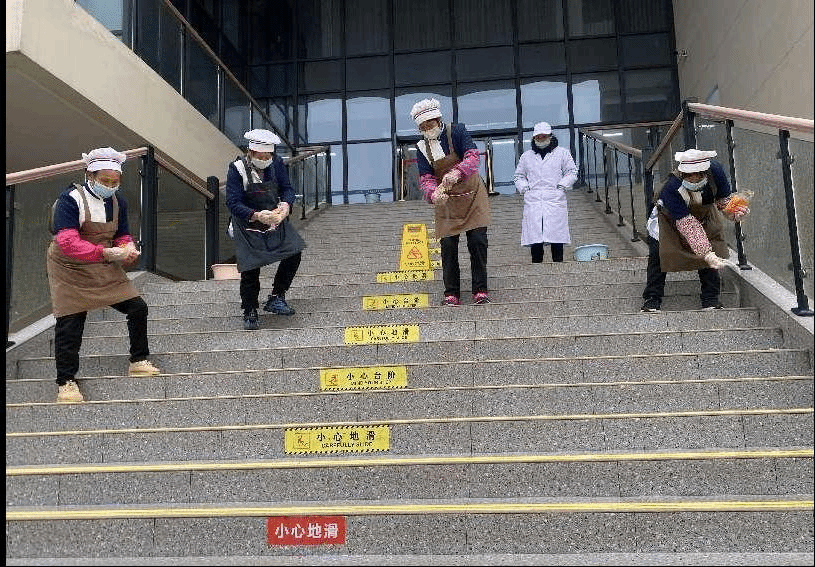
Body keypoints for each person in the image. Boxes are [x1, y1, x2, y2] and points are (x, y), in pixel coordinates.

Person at [47, 147, 161, 403]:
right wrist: (107, 253)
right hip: (69, 267)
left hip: (102, 262)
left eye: (114, 182)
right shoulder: (70, 198)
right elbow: (67, 242)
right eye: (105, 181)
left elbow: (121, 234)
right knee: (71, 321)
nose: (110, 186)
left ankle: (138, 360)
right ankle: (66, 382)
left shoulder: (118, 202)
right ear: (90, 175)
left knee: (137, 307)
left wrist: (127, 248)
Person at [641, 148, 750, 312]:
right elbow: (688, 224)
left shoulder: (716, 172)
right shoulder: (671, 187)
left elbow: (723, 201)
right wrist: (706, 253)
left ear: (705, 172)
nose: (693, 179)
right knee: (659, 253)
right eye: (688, 175)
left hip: (705, 214)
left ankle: (710, 299)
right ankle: (652, 298)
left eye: (697, 175)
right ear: (682, 172)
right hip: (670, 219)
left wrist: (734, 213)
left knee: (713, 248)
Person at [411, 98, 491, 305]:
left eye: (430, 124)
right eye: (423, 127)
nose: (427, 129)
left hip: (472, 195)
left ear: (438, 120)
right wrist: (432, 194)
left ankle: (480, 290)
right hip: (447, 201)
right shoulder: (421, 147)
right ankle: (452, 293)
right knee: (447, 245)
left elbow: (473, 157)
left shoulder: (457, 131)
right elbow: (426, 178)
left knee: (477, 241)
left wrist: (457, 172)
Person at [225, 129, 307, 330]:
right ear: (250, 152)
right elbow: (233, 202)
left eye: (267, 156)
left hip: (273, 219)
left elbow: (287, 189)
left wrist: (285, 206)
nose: (264, 160)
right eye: (260, 157)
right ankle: (250, 310)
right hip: (247, 223)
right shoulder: (237, 169)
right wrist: (256, 215)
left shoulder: (277, 164)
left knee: (294, 251)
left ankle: (277, 296)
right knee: (250, 267)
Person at [513, 121, 578, 263]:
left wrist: (562, 186)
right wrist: (525, 188)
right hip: (534, 198)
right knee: (535, 237)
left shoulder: (562, 153)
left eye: (544, 136)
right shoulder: (526, 156)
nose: (541, 139)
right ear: (534, 138)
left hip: (554, 197)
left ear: (550, 136)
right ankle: (537, 265)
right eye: (538, 137)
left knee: (556, 236)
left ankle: (558, 264)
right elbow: (518, 176)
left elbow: (572, 172)